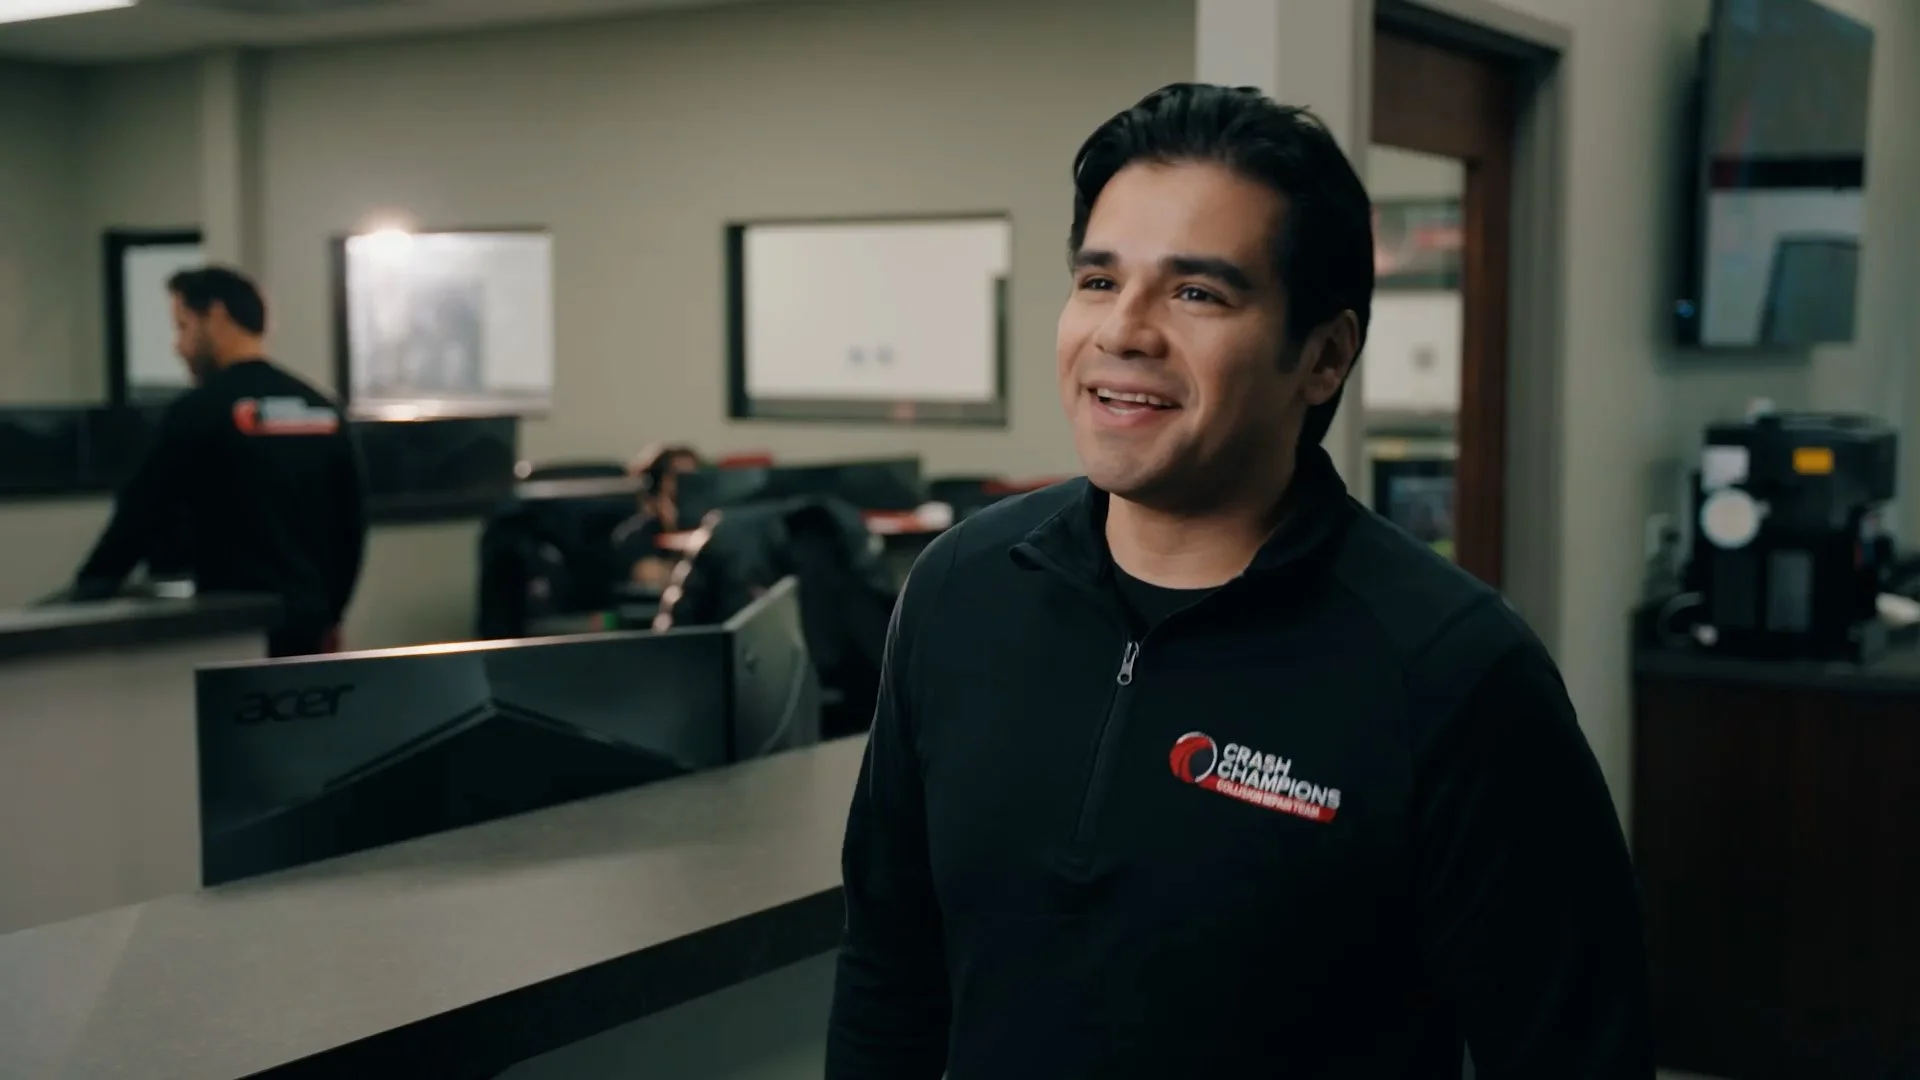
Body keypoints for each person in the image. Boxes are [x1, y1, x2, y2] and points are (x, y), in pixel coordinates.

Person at [827, 84, 1652, 1079]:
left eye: (1197, 293)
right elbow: (890, 978)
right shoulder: (958, 592)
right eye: (1098, 281)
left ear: (1324, 356)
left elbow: (1576, 1058)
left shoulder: (1453, 671)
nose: (1122, 332)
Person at [72, 267, 367, 658]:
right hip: (307, 624)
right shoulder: (322, 409)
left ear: (215, 315)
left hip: (230, 629)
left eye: (182, 326)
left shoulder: (200, 412)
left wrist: (88, 591)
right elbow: (351, 525)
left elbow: (141, 514)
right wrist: (332, 614)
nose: (178, 346)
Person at [611, 443, 702, 589]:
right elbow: (651, 577)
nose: (689, 483)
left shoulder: (712, 529)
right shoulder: (635, 535)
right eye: (679, 476)